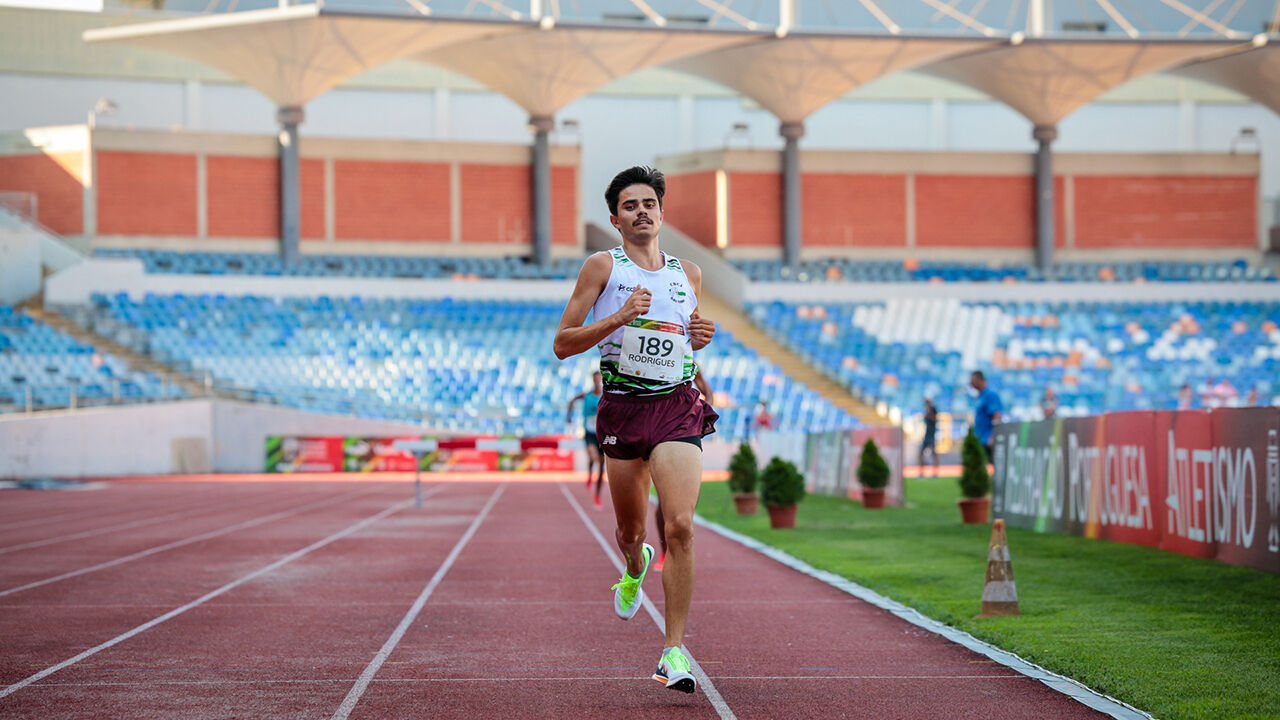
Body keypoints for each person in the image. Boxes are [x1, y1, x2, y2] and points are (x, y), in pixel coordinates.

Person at [553, 165, 718, 695]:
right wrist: (621, 315)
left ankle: (672, 650)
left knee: (681, 526)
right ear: (615, 218)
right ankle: (632, 565)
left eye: (649, 203)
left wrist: (702, 341)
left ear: (662, 213)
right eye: (631, 205)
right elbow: (564, 342)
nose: (641, 211)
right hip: (622, 410)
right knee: (631, 532)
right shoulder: (603, 266)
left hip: (676, 407)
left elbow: (681, 338)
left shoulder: (688, 274)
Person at [652, 363, 713, 572]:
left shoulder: (691, 364)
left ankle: (669, 552)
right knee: (657, 503)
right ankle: (658, 550)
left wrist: (704, 412)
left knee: (672, 504)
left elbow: (705, 389)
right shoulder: (651, 359)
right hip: (647, 425)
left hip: (678, 430)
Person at [567, 370, 606, 509]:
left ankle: (597, 495)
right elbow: (572, 400)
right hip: (589, 433)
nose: (597, 381)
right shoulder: (587, 395)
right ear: (592, 380)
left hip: (601, 433)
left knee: (601, 467)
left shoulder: (605, 395)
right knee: (593, 457)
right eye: (595, 379)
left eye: (599, 379)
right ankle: (590, 476)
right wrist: (569, 415)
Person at [970, 370, 1002, 463]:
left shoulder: (990, 395)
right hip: (979, 438)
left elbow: (997, 415)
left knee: (994, 465)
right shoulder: (980, 396)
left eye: (972, 381)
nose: (971, 384)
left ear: (979, 380)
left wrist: (993, 436)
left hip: (987, 439)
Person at [918, 397, 939, 478]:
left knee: (934, 454)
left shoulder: (933, 409)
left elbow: (934, 420)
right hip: (926, 436)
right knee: (920, 453)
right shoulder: (926, 410)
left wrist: (929, 412)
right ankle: (921, 473)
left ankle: (935, 473)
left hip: (932, 435)